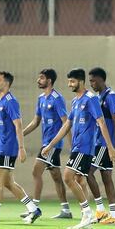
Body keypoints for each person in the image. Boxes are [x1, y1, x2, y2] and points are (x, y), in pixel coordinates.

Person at [41, 69, 115, 229]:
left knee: (68, 176)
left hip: (85, 148)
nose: (69, 84)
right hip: (77, 147)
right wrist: (50, 145)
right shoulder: (75, 101)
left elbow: (102, 123)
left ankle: (88, 213)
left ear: (81, 81)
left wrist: (111, 148)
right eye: (69, 81)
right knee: (78, 179)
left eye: (72, 81)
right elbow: (67, 125)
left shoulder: (90, 99)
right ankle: (90, 214)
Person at [0, 71, 40, 225]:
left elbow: (18, 125)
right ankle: (33, 208)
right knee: (8, 183)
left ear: (6, 83)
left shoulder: (11, 101)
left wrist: (21, 148)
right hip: (1, 147)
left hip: (8, 147)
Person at [22, 68, 71, 219]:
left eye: (42, 78)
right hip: (46, 143)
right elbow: (36, 121)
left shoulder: (57, 98)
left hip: (52, 145)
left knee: (36, 171)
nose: (38, 80)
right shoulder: (41, 98)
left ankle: (34, 207)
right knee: (56, 176)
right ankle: (66, 210)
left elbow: (66, 122)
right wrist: (20, 134)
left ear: (49, 80)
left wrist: (71, 145)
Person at [85, 67, 115, 224]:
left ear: (101, 80)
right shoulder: (99, 97)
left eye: (93, 80)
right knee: (106, 177)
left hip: (103, 144)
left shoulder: (111, 97)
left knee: (87, 171)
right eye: (90, 81)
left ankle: (100, 210)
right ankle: (113, 215)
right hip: (100, 142)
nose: (91, 83)